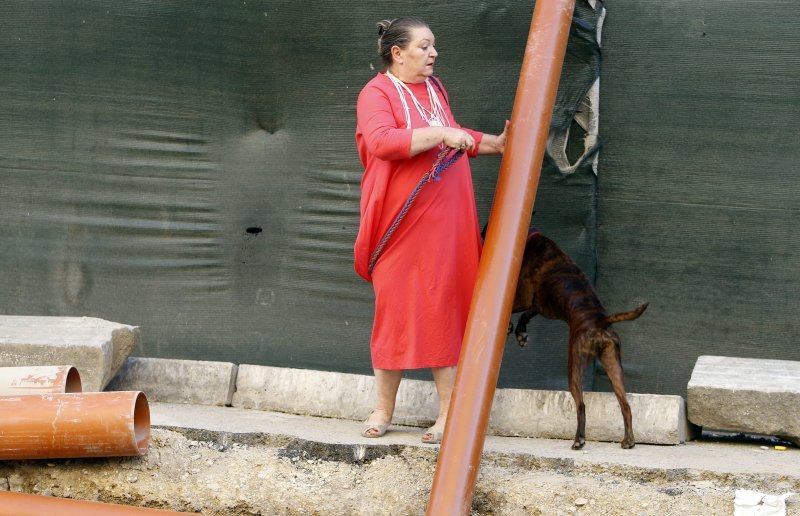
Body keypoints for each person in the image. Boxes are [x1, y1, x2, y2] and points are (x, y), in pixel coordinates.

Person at [354, 16, 508, 444]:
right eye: (424, 46)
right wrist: (441, 131)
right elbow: (384, 142)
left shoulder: (435, 88)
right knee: (394, 310)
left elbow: (454, 137)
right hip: (400, 219)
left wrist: (493, 143)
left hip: (448, 217)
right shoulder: (376, 93)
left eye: (434, 46)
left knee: (445, 305)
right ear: (397, 53)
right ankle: (383, 408)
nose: (433, 53)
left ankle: (449, 412)